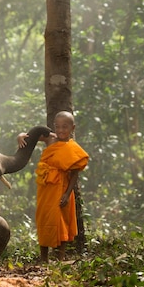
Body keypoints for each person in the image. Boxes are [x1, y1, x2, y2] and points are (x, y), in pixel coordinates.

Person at [18, 111, 89, 263]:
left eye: (65, 127)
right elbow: (30, 135)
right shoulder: (50, 138)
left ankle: (60, 258)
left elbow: (74, 175)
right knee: (44, 218)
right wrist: (20, 136)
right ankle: (44, 258)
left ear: (72, 128)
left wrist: (67, 194)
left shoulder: (73, 148)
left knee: (60, 221)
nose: (61, 130)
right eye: (58, 127)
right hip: (45, 187)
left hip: (62, 188)